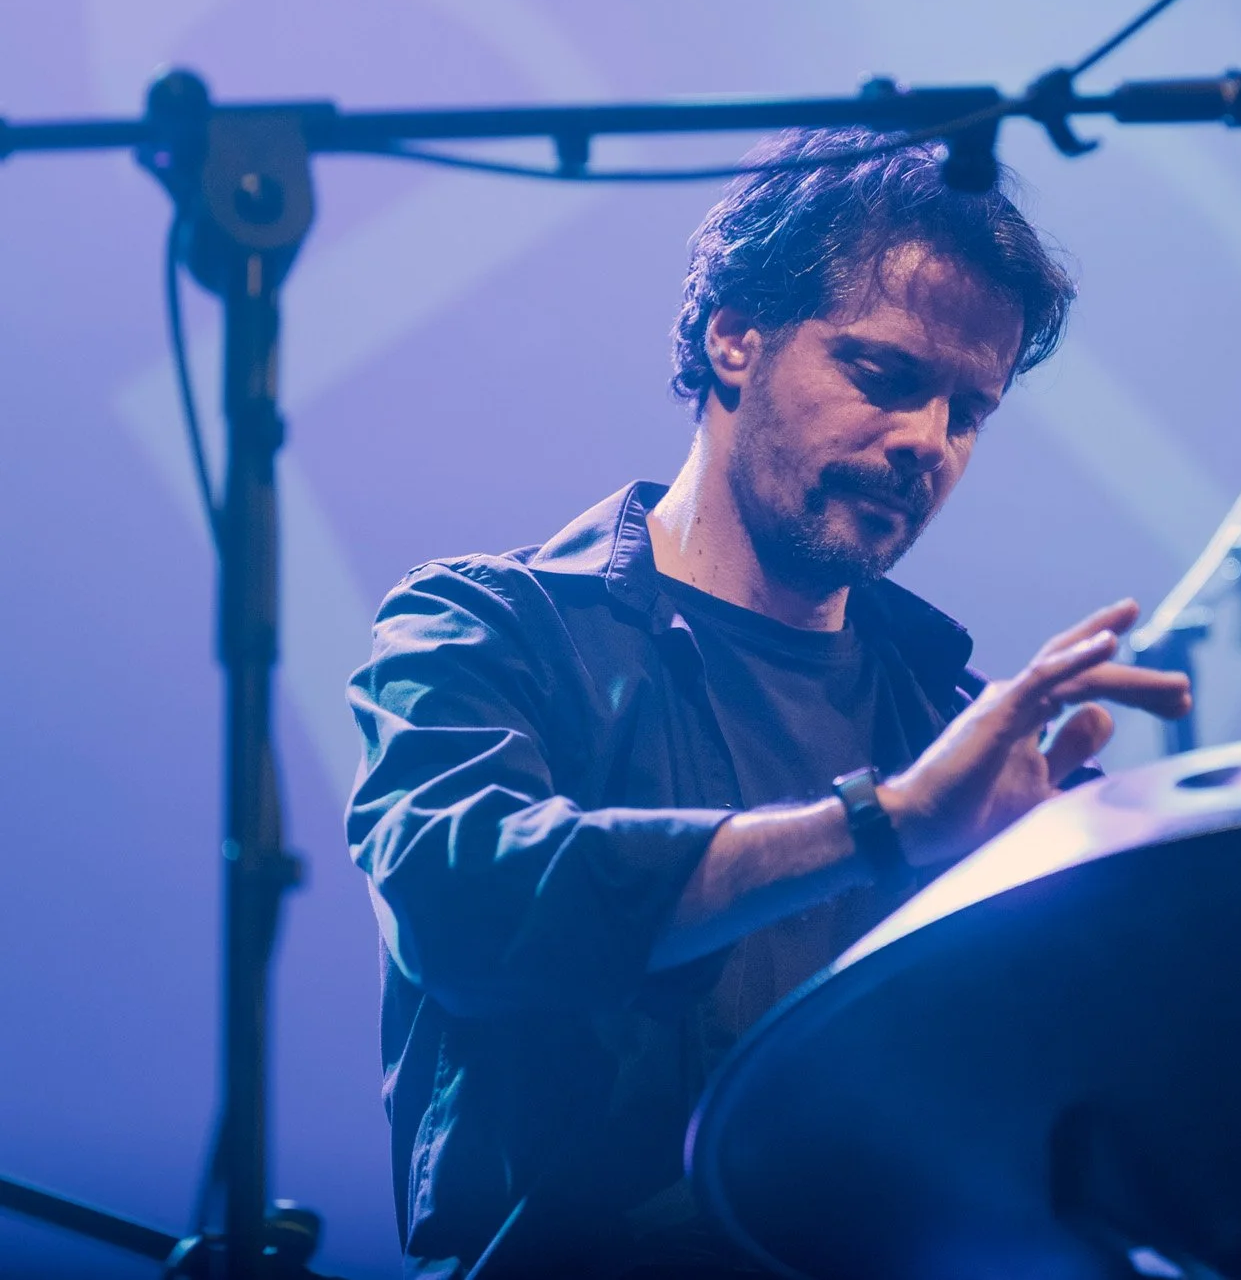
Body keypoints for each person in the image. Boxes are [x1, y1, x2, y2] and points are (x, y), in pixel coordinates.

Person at [344, 128, 1192, 1279]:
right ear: (732, 337)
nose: (924, 444)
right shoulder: (486, 630)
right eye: (885, 378)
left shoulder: (963, 730)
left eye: (966, 410)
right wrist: (878, 825)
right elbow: (466, 901)